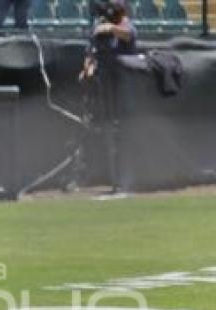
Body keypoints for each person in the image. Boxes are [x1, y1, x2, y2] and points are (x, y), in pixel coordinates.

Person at [78, 0, 136, 193]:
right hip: (102, 88)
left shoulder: (123, 25)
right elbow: (91, 51)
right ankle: (97, 175)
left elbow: (128, 34)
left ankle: (122, 180)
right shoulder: (98, 29)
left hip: (124, 89)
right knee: (99, 129)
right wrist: (88, 66)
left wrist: (110, 27)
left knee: (121, 131)